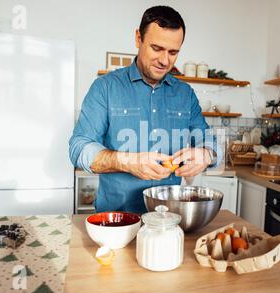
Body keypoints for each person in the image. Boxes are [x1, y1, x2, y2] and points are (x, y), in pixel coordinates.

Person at [69, 5, 221, 213]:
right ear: (138, 39)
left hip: (168, 219)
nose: (164, 60)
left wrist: (207, 154)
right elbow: (78, 148)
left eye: (173, 52)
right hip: (116, 219)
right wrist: (128, 161)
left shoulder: (185, 94)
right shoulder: (105, 87)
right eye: (157, 48)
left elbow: (211, 142)